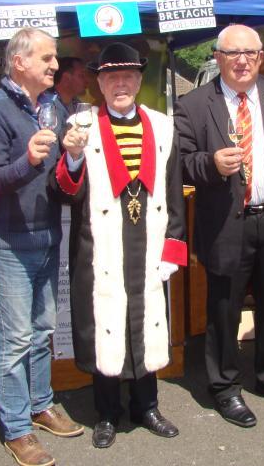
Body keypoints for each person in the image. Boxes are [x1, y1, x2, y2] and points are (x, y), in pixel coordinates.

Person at [174, 24, 264, 428]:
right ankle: (224, 387)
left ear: (260, 58)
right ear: (217, 57)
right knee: (224, 309)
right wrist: (212, 165)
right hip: (225, 224)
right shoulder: (196, 104)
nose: (241, 61)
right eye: (232, 53)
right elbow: (182, 161)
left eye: (249, 54)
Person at [53, 42, 187, 449]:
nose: (121, 84)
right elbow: (65, 191)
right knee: (105, 324)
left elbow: (174, 193)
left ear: (139, 80)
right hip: (100, 246)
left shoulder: (162, 126)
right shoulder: (81, 125)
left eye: (128, 76)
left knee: (147, 319)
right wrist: (72, 157)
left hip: (147, 241)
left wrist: (173, 248)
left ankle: (146, 406)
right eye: (112, 77)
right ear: (99, 83)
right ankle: (107, 412)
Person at [0, 28, 83, 466]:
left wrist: (73, 157)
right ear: (19, 62)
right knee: (16, 338)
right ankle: (16, 427)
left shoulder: (54, 107)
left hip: (47, 233)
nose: (55, 66)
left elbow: (59, 179)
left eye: (54, 59)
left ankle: (40, 405)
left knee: (42, 332)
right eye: (47, 58)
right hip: (10, 239)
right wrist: (30, 159)